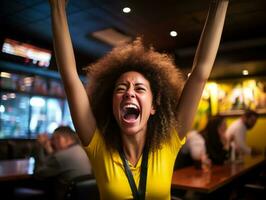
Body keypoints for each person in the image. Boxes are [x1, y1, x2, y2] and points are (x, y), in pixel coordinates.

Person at [48, 0, 229, 199]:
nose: (130, 93)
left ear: (153, 106)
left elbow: (200, 73)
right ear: (112, 105)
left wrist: (219, 4)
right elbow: (69, 76)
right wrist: (57, 6)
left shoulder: (169, 142)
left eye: (140, 88)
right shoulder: (98, 146)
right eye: (121, 88)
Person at [34, 126, 92, 199]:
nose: (52, 142)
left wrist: (39, 147)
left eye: (54, 139)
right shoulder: (81, 150)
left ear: (66, 139)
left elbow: (38, 173)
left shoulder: (61, 157)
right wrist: (50, 151)